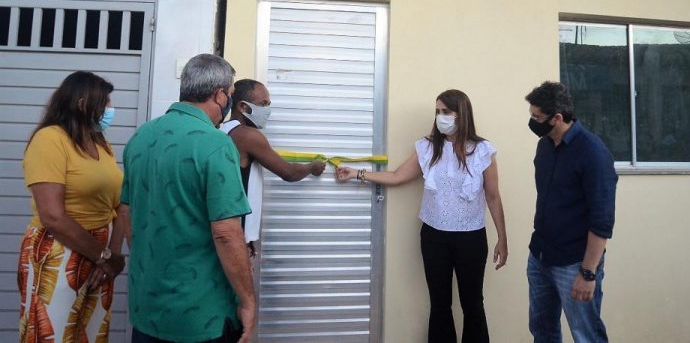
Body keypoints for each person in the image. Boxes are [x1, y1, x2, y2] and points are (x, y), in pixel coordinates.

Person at [336, 89, 508, 343]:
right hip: (434, 237)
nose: (440, 117)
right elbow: (397, 176)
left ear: (462, 114)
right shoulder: (428, 147)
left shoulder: (482, 151)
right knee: (439, 303)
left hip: (471, 237)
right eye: (437, 111)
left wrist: (502, 238)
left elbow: (493, 196)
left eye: (446, 111)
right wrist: (358, 174)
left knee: (472, 303)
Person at [119, 54, 255, 343]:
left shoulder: (141, 137)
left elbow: (126, 213)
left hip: (147, 307)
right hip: (200, 314)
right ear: (219, 95)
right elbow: (226, 233)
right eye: (230, 93)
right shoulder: (216, 143)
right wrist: (247, 301)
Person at [18, 71, 126, 342]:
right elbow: (53, 217)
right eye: (105, 103)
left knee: (91, 334)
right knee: (52, 334)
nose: (110, 109)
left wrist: (112, 254)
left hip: (101, 256)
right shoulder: (49, 139)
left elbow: (118, 204)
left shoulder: (100, 143)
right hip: (59, 250)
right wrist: (104, 256)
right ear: (82, 104)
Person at [524, 81, 618, 343]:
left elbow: (602, 220)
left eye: (537, 117)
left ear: (557, 118)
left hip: (574, 263)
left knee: (586, 335)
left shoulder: (593, 153)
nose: (532, 122)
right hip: (540, 256)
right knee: (542, 331)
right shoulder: (545, 146)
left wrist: (588, 273)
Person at [220, 79, 325, 254]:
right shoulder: (248, 136)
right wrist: (312, 167)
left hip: (228, 228)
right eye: (263, 104)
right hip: (236, 236)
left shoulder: (224, 130)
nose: (267, 111)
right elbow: (289, 173)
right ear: (243, 107)